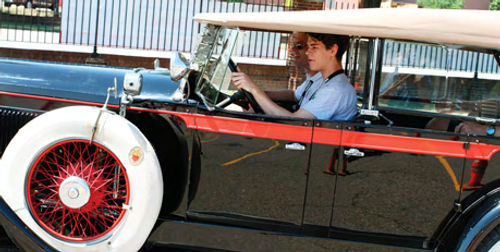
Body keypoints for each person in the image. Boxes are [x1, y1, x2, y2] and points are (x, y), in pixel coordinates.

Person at [231, 32, 357, 121]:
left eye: (314, 47)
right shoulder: (325, 81)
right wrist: (256, 93)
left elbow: (293, 121)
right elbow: (295, 96)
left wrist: (255, 90)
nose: (307, 52)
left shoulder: (335, 90)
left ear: (332, 51)